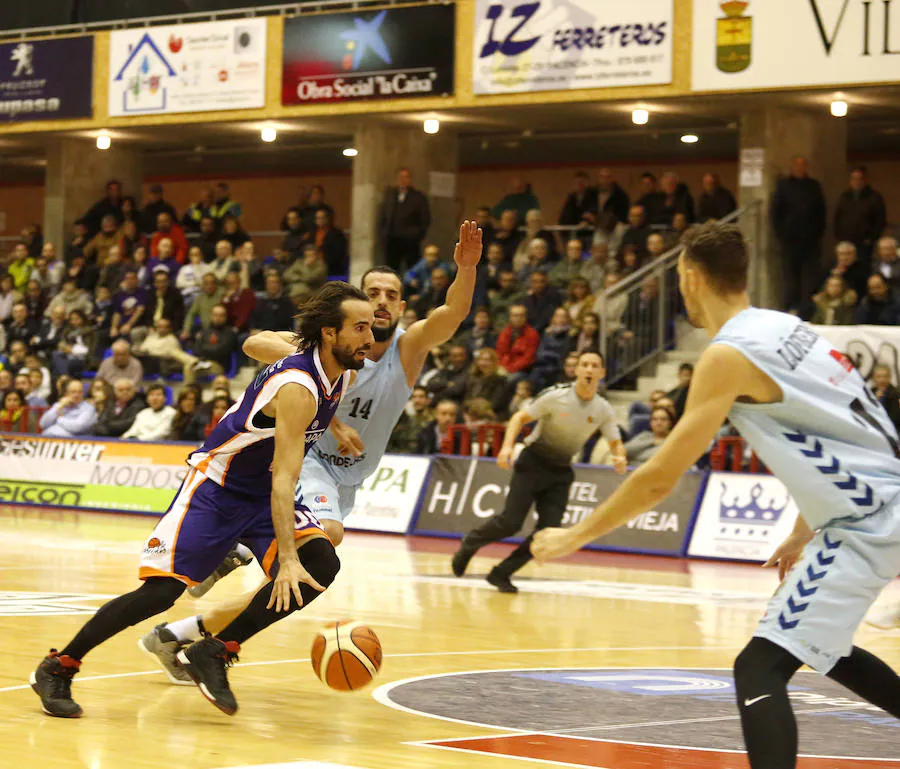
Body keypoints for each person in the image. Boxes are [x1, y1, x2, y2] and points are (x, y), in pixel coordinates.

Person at [532, 221, 900, 769]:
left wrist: (572, 537)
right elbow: (837, 433)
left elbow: (659, 476)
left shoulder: (728, 356)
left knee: (759, 669)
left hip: (868, 521)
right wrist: (803, 530)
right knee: (822, 645)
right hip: (876, 505)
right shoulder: (789, 328)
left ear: (689, 277)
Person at [138, 221, 484, 678]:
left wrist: (467, 269)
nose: (380, 301)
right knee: (329, 539)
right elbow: (258, 342)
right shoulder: (330, 345)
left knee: (303, 574)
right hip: (308, 460)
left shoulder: (409, 348)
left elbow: (454, 313)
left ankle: (179, 633)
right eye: (371, 293)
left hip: (351, 477)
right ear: (355, 306)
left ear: (401, 305)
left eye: (390, 294)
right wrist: (333, 419)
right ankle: (237, 553)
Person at [30, 281, 375, 719]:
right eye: (360, 327)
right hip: (218, 488)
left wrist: (337, 425)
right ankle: (60, 665)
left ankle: (214, 651)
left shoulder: (337, 367)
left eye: (371, 326)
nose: (369, 337)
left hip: (258, 493)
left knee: (321, 564)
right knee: (159, 594)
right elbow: (284, 479)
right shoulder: (298, 387)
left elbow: (258, 345)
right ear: (330, 333)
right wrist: (286, 557)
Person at [452, 349, 626, 593]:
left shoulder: (603, 408)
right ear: (576, 370)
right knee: (510, 523)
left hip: (561, 472)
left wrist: (619, 457)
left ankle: (502, 573)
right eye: (584, 364)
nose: (588, 369)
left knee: (546, 535)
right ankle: (471, 542)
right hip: (533, 463)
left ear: (602, 373)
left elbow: (614, 440)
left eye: (594, 366)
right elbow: (518, 419)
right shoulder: (556, 396)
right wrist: (506, 448)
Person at [771, 156, 827, 313]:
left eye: (803, 166)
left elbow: (821, 212)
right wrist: (781, 234)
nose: (800, 168)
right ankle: (789, 306)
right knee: (790, 275)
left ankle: (806, 308)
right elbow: (776, 212)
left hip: (810, 239)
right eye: (797, 166)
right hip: (790, 239)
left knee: (809, 276)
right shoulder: (783, 186)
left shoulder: (814, 186)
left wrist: (817, 232)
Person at [377, 168, 431, 273]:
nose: (403, 180)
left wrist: (417, 234)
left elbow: (425, 219)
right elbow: (383, 216)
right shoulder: (390, 195)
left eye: (406, 177)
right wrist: (383, 233)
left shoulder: (418, 197)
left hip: (410, 241)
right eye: (401, 177)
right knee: (391, 269)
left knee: (411, 269)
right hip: (391, 240)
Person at [832, 166, 885, 267]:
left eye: (859, 179)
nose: (857, 182)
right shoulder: (844, 197)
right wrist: (839, 236)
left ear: (865, 180)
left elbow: (880, 220)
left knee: (863, 267)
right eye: (854, 179)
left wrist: (871, 238)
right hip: (846, 241)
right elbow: (837, 217)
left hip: (864, 243)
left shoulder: (874, 197)